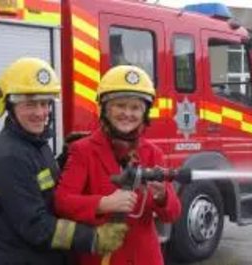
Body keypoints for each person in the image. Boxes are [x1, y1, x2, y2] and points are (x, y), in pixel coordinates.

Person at [0, 57, 127, 265]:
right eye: (30, 105)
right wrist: (93, 237)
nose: (40, 113)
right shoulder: (9, 158)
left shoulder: (33, 142)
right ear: (10, 106)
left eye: (44, 103)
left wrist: (66, 157)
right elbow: (36, 226)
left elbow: (42, 186)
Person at [54, 65, 182, 265]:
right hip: (101, 258)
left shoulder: (153, 153)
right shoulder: (83, 150)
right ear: (105, 109)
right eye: (120, 105)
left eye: (135, 107)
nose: (127, 113)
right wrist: (104, 203)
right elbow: (62, 202)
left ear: (144, 113)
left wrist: (162, 196)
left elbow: (172, 214)